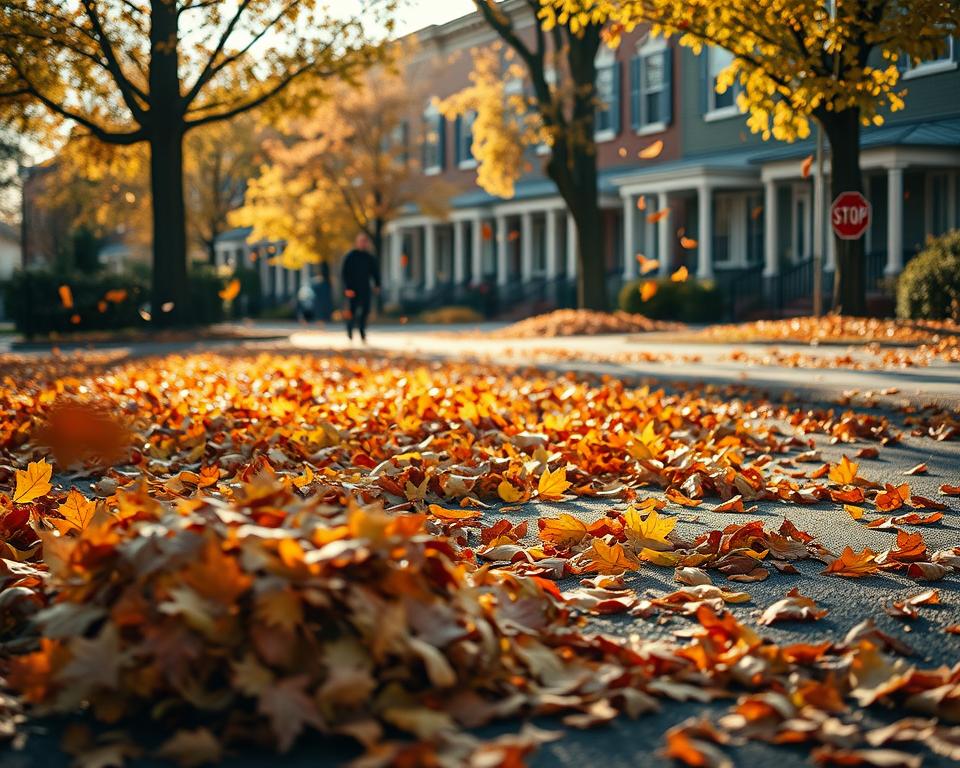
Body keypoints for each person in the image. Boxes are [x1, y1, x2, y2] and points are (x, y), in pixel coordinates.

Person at [340, 233, 381, 341]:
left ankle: (362, 330)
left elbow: (375, 272)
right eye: (361, 241)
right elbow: (345, 273)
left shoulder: (369, 257)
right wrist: (347, 288)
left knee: (366, 310)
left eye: (365, 241)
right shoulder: (350, 256)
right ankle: (349, 330)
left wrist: (377, 284)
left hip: (365, 287)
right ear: (357, 242)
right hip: (352, 288)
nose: (363, 243)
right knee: (352, 311)